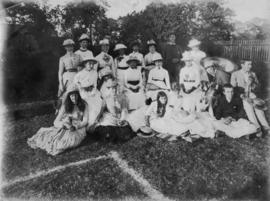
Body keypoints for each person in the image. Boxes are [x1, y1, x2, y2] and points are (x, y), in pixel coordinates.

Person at [27, 84, 88, 155]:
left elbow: (85, 121)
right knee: (49, 138)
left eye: (75, 95)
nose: (74, 98)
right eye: (71, 96)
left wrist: (76, 127)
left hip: (78, 129)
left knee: (63, 143)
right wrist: (63, 125)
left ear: (79, 95)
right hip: (65, 126)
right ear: (69, 97)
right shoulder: (66, 106)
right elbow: (56, 121)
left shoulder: (84, 105)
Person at [231, 59, 270, 135]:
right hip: (241, 95)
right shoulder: (235, 74)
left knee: (258, 108)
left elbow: (258, 87)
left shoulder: (253, 74)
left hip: (252, 94)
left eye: (251, 64)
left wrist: (252, 84)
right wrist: (242, 95)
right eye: (248, 64)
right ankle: (257, 128)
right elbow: (233, 88)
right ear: (242, 65)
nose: (250, 66)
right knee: (248, 106)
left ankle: (266, 127)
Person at [94, 73, 134, 142]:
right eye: (111, 88)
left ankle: (116, 133)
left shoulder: (122, 97)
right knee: (106, 129)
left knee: (126, 131)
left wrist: (122, 119)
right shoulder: (106, 98)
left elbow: (124, 110)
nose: (113, 90)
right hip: (110, 117)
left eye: (115, 87)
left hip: (119, 117)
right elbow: (102, 110)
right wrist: (97, 118)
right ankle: (109, 134)